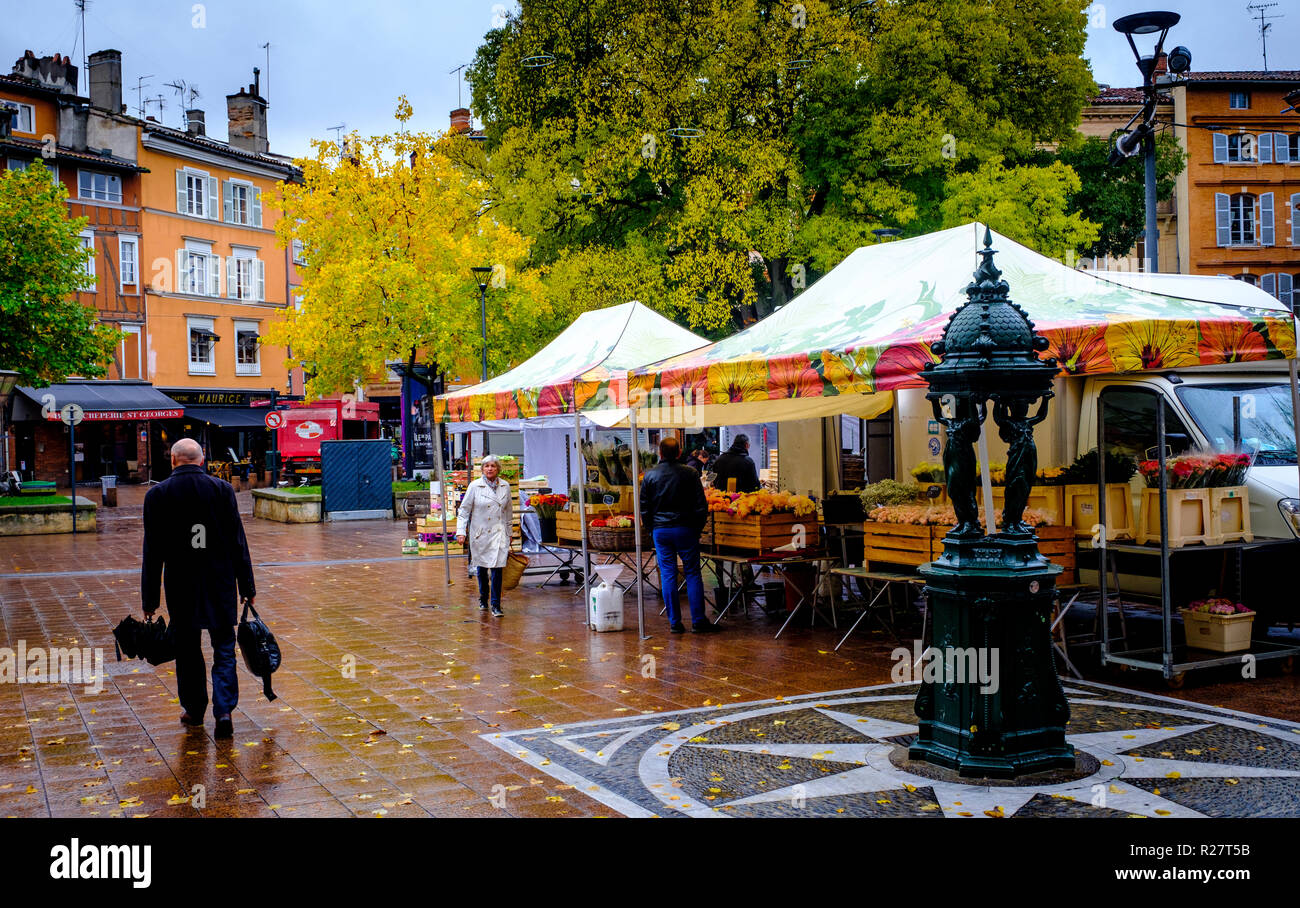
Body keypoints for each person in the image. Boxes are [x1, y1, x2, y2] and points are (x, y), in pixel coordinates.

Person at [141, 438, 255, 739]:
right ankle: (225, 710)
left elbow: (152, 553)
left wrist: (150, 599)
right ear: (201, 460)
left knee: (187, 650)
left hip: (182, 585)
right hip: (219, 582)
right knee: (224, 647)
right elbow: (237, 542)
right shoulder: (221, 490)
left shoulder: (157, 495)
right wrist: (247, 585)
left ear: (173, 460)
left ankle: (194, 709)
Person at [640, 436, 719, 634]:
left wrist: (652, 529)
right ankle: (698, 620)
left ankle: (675, 622)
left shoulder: (649, 476)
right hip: (686, 529)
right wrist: (697, 528)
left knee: (668, 574)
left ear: (660, 453)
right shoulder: (691, 473)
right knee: (692, 573)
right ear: (678, 453)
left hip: (661, 530)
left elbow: (644, 509)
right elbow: (701, 506)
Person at [456, 454, 513, 617]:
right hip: (480, 534)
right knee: (481, 568)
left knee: (497, 569)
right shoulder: (475, 487)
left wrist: (510, 532)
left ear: (498, 469)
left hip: (498, 533)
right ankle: (483, 598)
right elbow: (464, 511)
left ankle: (496, 604)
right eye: (486, 466)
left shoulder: (505, 486)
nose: (490, 469)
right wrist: (461, 531)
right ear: (482, 469)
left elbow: (508, 511)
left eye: (493, 466)